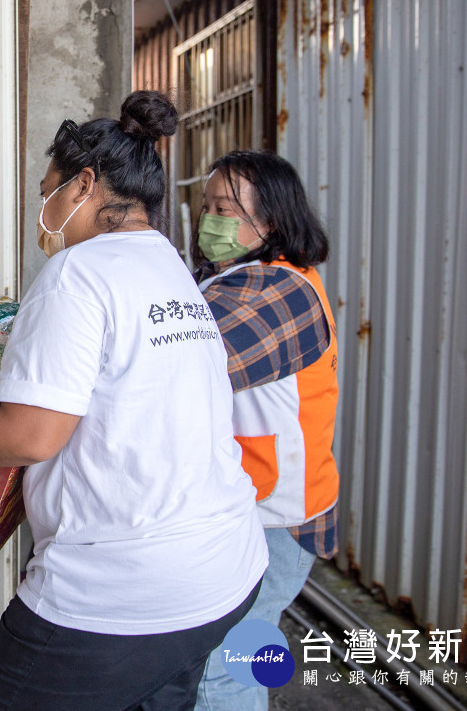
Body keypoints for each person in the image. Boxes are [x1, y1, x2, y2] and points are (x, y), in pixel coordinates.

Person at [0, 91, 268, 711]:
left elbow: (32, 434)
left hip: (122, 591)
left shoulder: (79, 274)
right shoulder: (170, 268)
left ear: (83, 185)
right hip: (223, 570)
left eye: (47, 189)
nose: (42, 209)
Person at [191, 151, 339, 711]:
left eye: (225, 208)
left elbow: (179, 363)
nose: (210, 219)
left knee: (221, 673)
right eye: (206, 206)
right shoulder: (253, 278)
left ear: (270, 220)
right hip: (276, 507)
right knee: (248, 657)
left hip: (271, 516)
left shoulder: (273, 292)